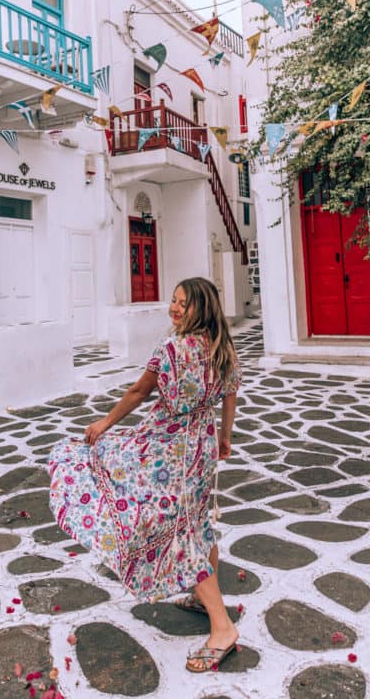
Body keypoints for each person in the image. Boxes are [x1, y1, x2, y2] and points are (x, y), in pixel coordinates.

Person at [48, 277, 241, 673]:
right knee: (197, 521)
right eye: (173, 300)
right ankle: (204, 600)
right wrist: (224, 437)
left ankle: (223, 629)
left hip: (169, 450)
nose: (174, 308)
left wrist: (104, 423)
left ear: (198, 309)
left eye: (182, 303)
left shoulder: (172, 347)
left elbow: (139, 392)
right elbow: (231, 394)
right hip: (201, 446)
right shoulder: (222, 347)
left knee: (181, 534)